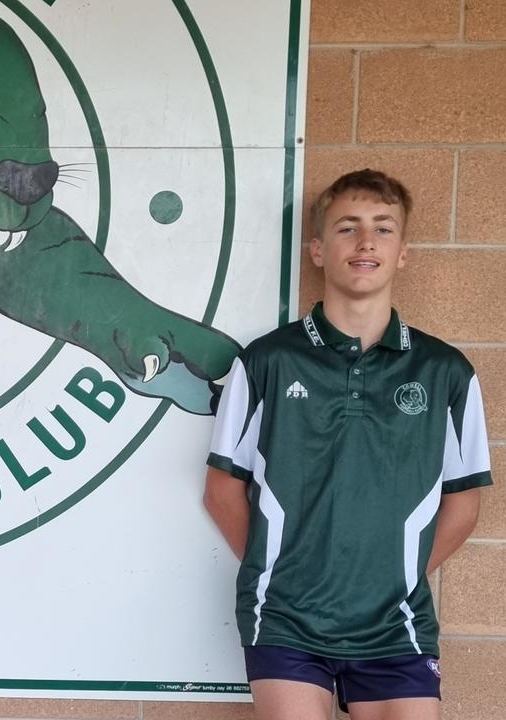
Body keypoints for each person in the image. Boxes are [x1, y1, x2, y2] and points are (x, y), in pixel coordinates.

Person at [204, 169, 491, 720]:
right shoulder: (267, 361)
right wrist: (282, 573)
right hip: (286, 617)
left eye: (383, 229)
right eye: (347, 228)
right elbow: (221, 488)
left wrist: (388, 576)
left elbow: (463, 501)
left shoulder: (446, 371)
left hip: (395, 620)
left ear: (403, 251)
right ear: (317, 249)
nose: (365, 242)